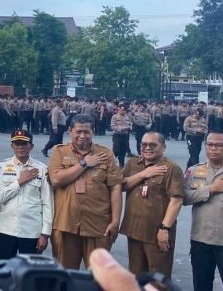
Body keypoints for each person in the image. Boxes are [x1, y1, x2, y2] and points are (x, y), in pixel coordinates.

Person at [48, 113, 123, 269]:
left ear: (93, 132)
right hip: (65, 224)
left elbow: (115, 187)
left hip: (98, 225)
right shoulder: (60, 152)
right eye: (78, 131)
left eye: (86, 132)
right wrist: (84, 164)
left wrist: (115, 221)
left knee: (98, 274)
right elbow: (56, 179)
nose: (82, 136)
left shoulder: (105, 154)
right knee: (65, 273)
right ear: (70, 131)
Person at [120, 131, 183, 278]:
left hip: (157, 234)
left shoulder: (171, 168)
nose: (147, 148)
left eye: (153, 145)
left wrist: (164, 229)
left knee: (158, 278)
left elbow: (176, 201)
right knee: (136, 276)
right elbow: (121, 185)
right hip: (134, 230)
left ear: (163, 147)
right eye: (144, 144)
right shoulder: (133, 163)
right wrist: (143, 174)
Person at [0, 129, 53, 259]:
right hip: (7, 229)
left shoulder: (42, 169)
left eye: (24, 143)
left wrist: (45, 234)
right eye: (17, 143)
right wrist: (19, 182)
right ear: (12, 146)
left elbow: (48, 203)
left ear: (31, 146)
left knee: (30, 269)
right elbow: (0, 196)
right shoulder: (2, 167)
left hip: (32, 231)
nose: (20, 147)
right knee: (4, 268)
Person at [183, 130, 223, 291]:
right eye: (210, 145)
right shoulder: (194, 171)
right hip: (201, 239)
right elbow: (184, 197)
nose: (213, 148)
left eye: (219, 145)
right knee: (201, 285)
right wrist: (210, 189)